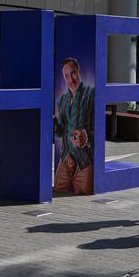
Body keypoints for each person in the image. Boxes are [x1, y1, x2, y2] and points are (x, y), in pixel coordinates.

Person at [55, 57, 95, 194]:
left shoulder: (91, 94)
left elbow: (100, 127)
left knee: (86, 201)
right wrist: (53, 125)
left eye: (73, 73)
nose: (70, 80)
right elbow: (60, 132)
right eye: (66, 76)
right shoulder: (61, 101)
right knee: (57, 196)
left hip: (84, 163)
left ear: (79, 71)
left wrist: (87, 137)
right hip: (65, 161)